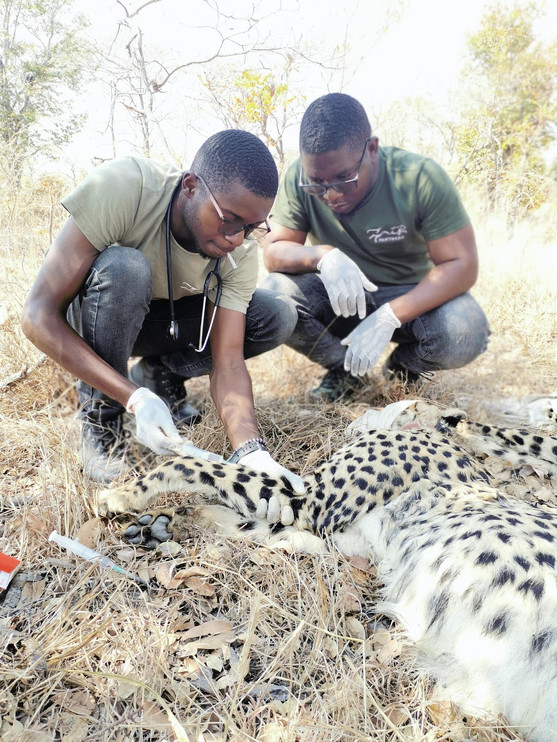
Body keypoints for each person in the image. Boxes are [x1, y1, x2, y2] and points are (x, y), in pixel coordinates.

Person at [22, 129, 304, 499]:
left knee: (275, 315)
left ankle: (159, 373)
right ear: (190, 186)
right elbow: (37, 315)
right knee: (126, 268)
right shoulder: (125, 186)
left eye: (251, 228)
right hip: (99, 311)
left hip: (165, 323)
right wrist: (132, 398)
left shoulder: (240, 249)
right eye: (229, 220)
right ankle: (101, 417)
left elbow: (229, 362)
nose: (236, 238)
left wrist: (250, 451)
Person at [261, 93, 490, 402]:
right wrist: (321, 256)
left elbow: (461, 264)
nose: (329, 195)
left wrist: (390, 315)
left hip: (410, 298)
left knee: (465, 330)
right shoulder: (297, 180)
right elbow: (274, 252)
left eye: (344, 179)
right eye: (317, 183)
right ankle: (347, 372)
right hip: (341, 297)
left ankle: (404, 369)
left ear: (372, 149)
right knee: (275, 296)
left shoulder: (418, 177)